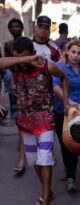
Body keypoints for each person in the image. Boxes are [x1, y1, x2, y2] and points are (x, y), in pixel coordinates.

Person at [0, 37, 68, 205]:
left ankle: (46, 203)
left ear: (33, 54)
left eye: (24, 58)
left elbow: (63, 77)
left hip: (45, 119)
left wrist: (67, 102)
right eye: (17, 58)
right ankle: (49, 191)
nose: (20, 63)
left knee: (45, 158)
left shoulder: (46, 66)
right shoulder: (17, 65)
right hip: (25, 122)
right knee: (34, 161)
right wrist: (24, 60)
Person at [53, 39, 80, 192]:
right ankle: (69, 170)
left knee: (76, 141)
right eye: (73, 52)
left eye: (79, 53)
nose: (76, 55)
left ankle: (71, 176)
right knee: (65, 143)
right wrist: (68, 100)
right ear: (67, 51)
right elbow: (54, 85)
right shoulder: (60, 66)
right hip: (62, 111)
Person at [4, 18, 26, 175]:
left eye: (17, 26)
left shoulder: (27, 42)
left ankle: (25, 145)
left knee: (25, 114)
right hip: (14, 80)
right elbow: (8, 64)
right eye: (12, 26)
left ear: (22, 27)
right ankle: (22, 143)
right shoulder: (7, 45)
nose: (15, 28)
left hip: (27, 82)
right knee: (17, 113)